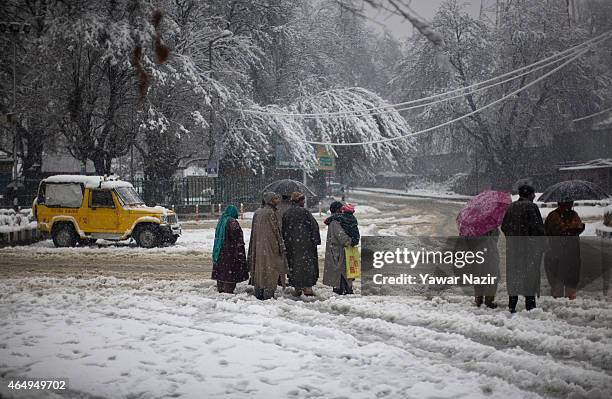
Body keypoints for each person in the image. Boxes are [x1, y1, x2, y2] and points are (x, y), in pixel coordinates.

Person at [501, 184, 546, 313]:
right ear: (530, 194)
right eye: (533, 194)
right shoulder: (532, 207)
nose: (534, 196)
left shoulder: (511, 207)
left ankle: (512, 305)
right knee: (530, 276)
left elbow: (504, 227)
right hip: (529, 249)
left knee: (514, 275)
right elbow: (538, 229)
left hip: (513, 249)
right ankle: (530, 306)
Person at [282, 192, 321, 296]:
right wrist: (315, 240)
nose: (304, 202)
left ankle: (297, 287)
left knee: (294, 265)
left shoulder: (287, 213)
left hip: (292, 245)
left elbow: (283, 230)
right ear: (299, 201)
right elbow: (314, 227)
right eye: (302, 200)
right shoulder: (305, 212)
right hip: (306, 245)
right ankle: (307, 288)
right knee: (307, 266)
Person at [250, 192, 287, 300]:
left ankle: (259, 291)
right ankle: (268, 293)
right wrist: (281, 246)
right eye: (275, 198)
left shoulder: (259, 212)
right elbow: (276, 231)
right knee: (270, 270)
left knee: (261, 269)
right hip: (271, 247)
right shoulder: (270, 213)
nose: (278, 200)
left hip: (261, 246)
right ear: (270, 200)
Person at [544, 201, 584, 299]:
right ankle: (570, 295)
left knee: (556, 271)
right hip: (572, 249)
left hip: (556, 248)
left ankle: (557, 294)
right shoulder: (574, 215)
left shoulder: (553, 215)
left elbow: (546, 230)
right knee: (571, 271)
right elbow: (578, 228)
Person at [211, 205, 249, 293]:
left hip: (220, 251)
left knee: (221, 273)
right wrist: (240, 252)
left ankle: (221, 289)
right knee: (229, 275)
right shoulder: (232, 222)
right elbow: (237, 238)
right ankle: (228, 292)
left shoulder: (221, 221)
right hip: (230, 253)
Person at [323, 201, 357, 295]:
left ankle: (343, 289)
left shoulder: (337, 220)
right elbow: (341, 237)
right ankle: (344, 289)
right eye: (341, 208)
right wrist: (350, 242)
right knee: (342, 271)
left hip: (338, 250)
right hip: (339, 251)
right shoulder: (335, 222)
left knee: (343, 271)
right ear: (338, 210)